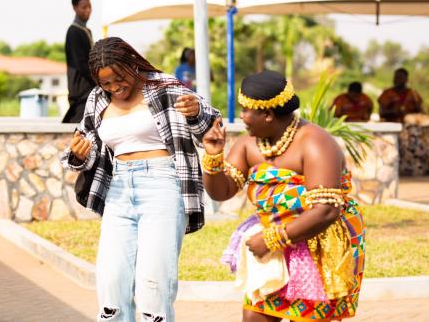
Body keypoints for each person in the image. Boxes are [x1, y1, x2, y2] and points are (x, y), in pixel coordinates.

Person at [61, 37, 220, 322]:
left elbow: (210, 124)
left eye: (118, 79)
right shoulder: (97, 100)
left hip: (162, 185)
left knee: (153, 287)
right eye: (105, 83)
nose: (113, 88)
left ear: (131, 64)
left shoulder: (164, 86)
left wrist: (196, 112)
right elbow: (86, 147)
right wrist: (77, 153)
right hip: (118, 190)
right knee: (111, 284)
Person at [201, 70, 365, 322]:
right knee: (255, 317)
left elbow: (326, 210)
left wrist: (270, 240)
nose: (241, 117)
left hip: (316, 243)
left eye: (247, 110)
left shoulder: (316, 143)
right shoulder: (248, 144)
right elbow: (221, 192)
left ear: (267, 114)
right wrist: (213, 157)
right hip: (272, 247)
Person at [62, 0, 96, 123]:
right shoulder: (74, 31)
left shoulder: (86, 30)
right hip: (80, 87)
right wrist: (97, 78)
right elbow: (81, 63)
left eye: (89, 6)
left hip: (88, 86)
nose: (87, 10)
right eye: (84, 7)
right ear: (75, 8)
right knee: (78, 122)